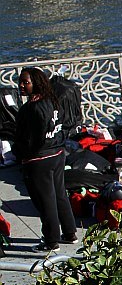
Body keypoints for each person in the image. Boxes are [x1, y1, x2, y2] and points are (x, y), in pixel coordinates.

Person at [14, 67, 77, 252]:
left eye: (26, 82)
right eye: (20, 82)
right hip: (57, 154)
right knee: (59, 194)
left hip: (38, 159)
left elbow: (29, 139)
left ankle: (51, 241)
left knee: (45, 201)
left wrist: (22, 155)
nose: (21, 86)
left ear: (36, 83)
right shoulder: (53, 101)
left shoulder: (29, 109)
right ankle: (70, 233)